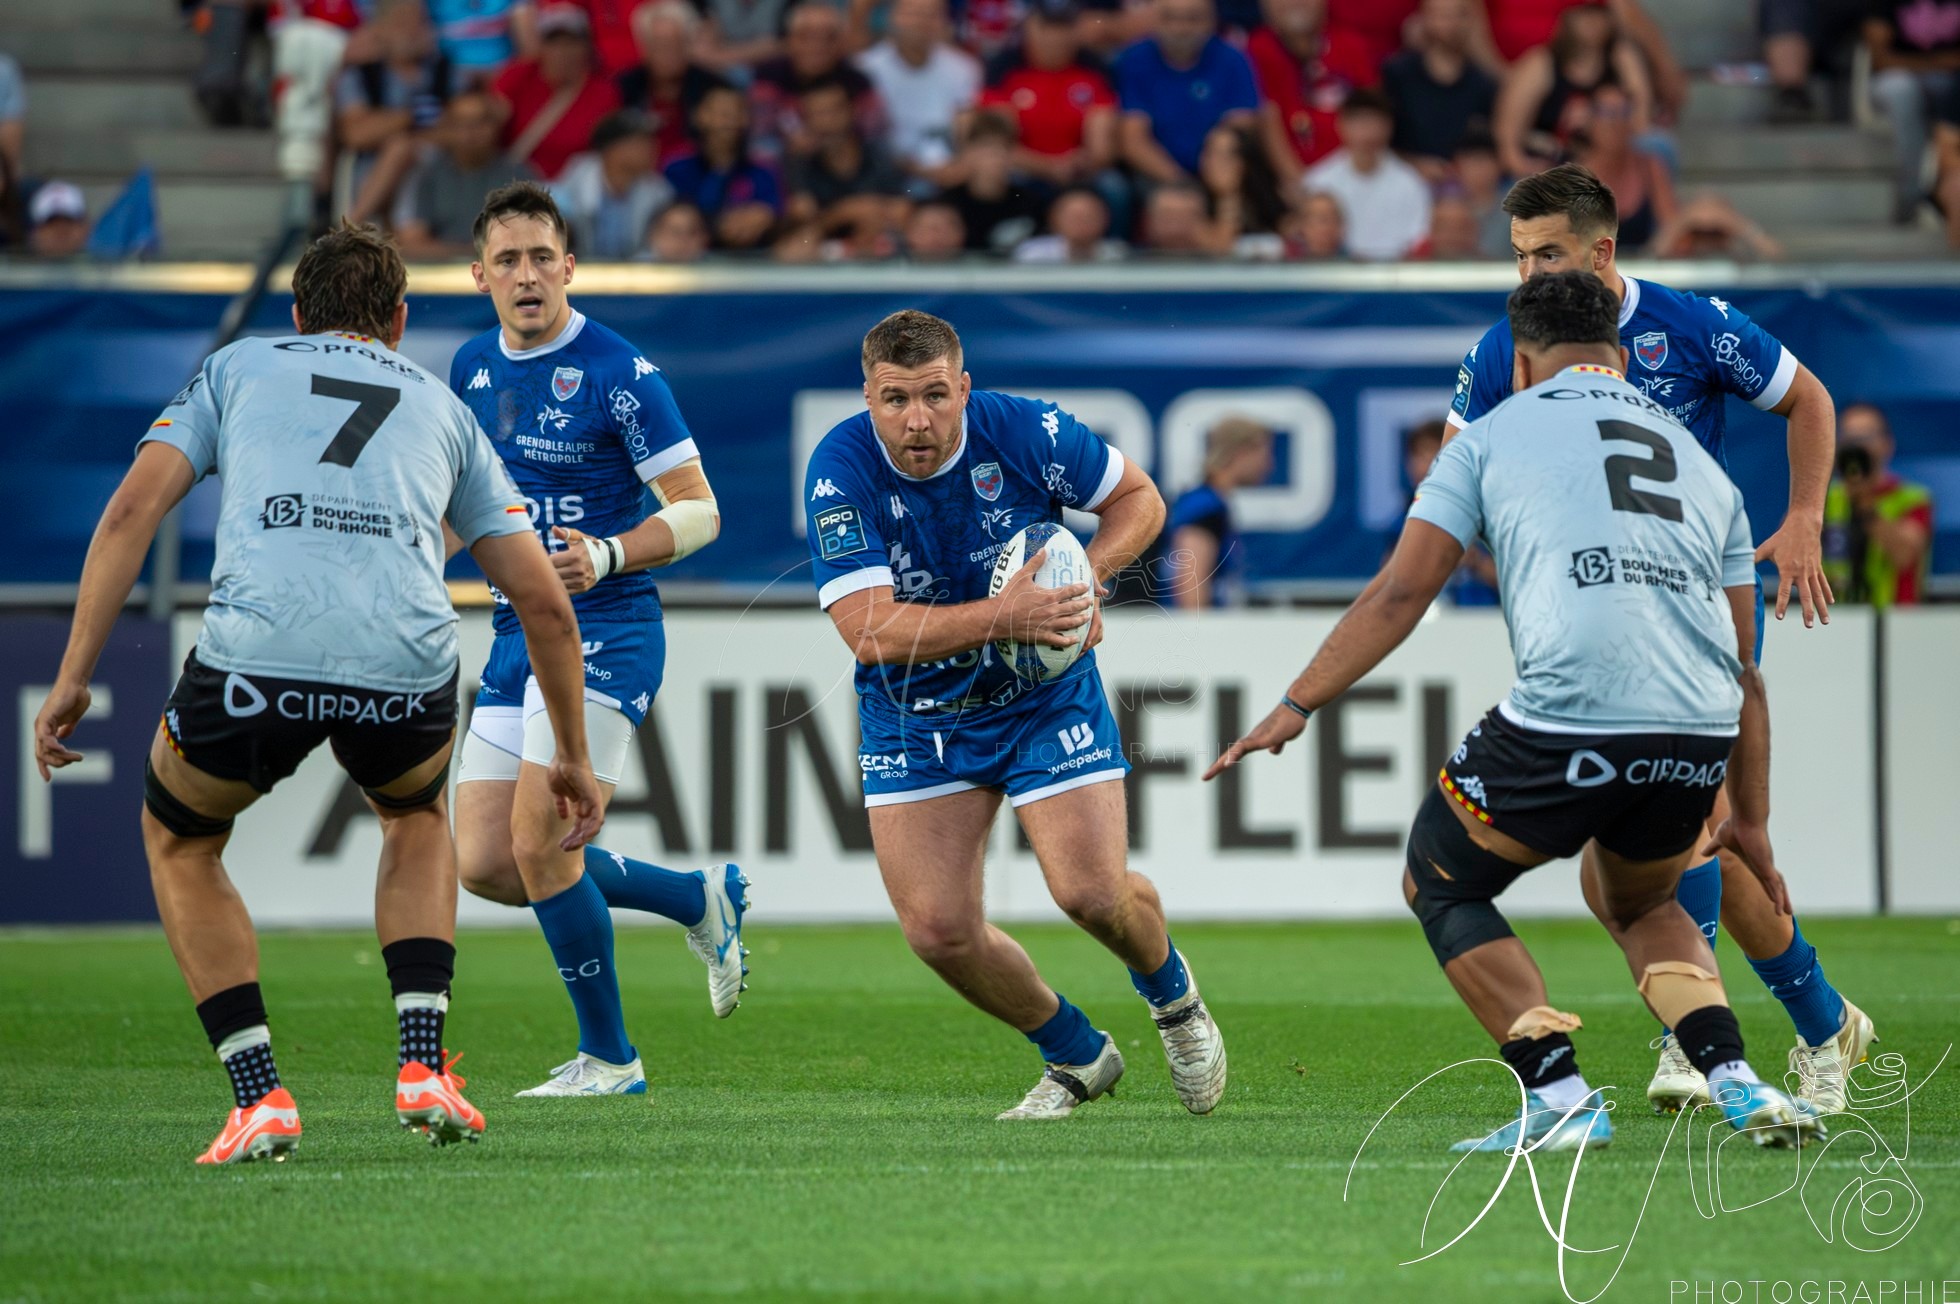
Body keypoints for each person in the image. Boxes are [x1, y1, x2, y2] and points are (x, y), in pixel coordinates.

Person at [1210, 271, 1821, 1152]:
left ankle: (1560, 1094)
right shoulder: (1701, 465)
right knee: (1644, 900)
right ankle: (1733, 1076)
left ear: (1523, 365)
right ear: (1619, 355)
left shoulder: (1488, 436)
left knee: (1442, 876)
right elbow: (1747, 671)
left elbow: (1401, 593)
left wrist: (1295, 704)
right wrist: (1752, 820)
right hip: (1700, 722)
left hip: (1576, 705)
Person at [32, 222, 604, 1163]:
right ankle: (422, 1065)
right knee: (415, 817)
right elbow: (544, 602)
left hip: (261, 653)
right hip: (408, 663)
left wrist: (73, 676)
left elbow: (133, 510)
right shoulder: (442, 407)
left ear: (297, 314)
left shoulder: (237, 366)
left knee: (180, 839)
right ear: (398, 321)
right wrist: (571, 758)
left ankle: (259, 1095)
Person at [1446, 164, 1874, 1120]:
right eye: (1518, 257)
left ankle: (1694, 1039)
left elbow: (1809, 399)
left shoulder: (1691, 323)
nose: (1527, 277)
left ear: (1602, 251)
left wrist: (1804, 517)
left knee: (1691, 826)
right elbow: (1456, 472)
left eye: (1547, 253)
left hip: (1698, 599)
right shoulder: (1503, 347)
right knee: (1686, 834)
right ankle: (1820, 1021)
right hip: (1589, 616)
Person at [802, 309, 1226, 1120]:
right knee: (937, 931)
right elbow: (868, 633)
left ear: (964, 388)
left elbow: (1139, 498)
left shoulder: (1025, 430)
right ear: (868, 397)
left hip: (1040, 693)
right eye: (895, 400)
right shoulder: (840, 468)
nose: (917, 420)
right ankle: (1075, 1051)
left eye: (934, 395)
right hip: (914, 711)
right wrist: (1008, 616)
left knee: (1093, 895)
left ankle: (1174, 1003)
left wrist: (1089, 578)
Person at [449, 182, 748, 1097]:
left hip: (608, 631)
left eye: (543, 257)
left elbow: (702, 511)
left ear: (570, 267)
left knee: (543, 846)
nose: (528, 275)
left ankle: (610, 1058)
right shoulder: (468, 367)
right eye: (508, 261)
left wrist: (611, 552)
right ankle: (695, 898)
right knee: (488, 864)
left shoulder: (623, 374)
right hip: (513, 634)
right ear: (480, 276)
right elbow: (469, 508)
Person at [1491, 2, 1651, 178]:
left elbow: (1640, 123)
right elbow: (1507, 138)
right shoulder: (1541, 63)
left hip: (1609, 169)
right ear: (1566, 17)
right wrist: (1527, 170)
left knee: (1655, 144)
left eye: (1599, 13)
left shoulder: (1621, 58)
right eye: (1583, 13)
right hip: (1548, 169)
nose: (1592, 21)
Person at [978, 0, 1119, 194]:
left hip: (1078, 170)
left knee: (1113, 187)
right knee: (992, 174)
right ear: (1029, 28)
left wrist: (1080, 162)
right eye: (1047, 27)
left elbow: (1101, 146)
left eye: (1063, 27)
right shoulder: (1003, 68)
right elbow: (999, 138)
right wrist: (1049, 168)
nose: (1055, 37)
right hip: (1021, 168)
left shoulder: (1095, 69)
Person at [336, 0, 458, 226]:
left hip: (437, 169)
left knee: (406, 148)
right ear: (379, 30)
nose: (413, 31)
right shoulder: (362, 74)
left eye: (420, 22)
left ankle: (352, 226)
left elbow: (462, 132)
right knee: (400, 147)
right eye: (402, 23)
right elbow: (356, 135)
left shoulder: (445, 71)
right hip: (371, 175)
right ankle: (355, 225)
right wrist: (412, 118)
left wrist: (397, 130)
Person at [1115, 0, 1260, 184]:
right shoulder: (1135, 60)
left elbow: (1241, 128)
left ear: (1212, 21)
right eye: (1170, 18)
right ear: (1154, 19)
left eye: (1193, 19)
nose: (1180, 28)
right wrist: (1181, 183)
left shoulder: (1233, 60)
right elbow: (1133, 140)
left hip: (1220, 172)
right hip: (1157, 176)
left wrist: (1214, 178)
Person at [1246, 0, 1379, 185]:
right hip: (1297, 180)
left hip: (1356, 175)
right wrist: (1301, 184)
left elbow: (1374, 114)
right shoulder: (1259, 49)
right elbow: (1269, 121)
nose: (1296, 3)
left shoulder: (1351, 44)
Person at [396, 91, 536, 258]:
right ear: (447, 129)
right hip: (442, 272)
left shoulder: (519, 175)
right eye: (461, 124)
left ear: (495, 127)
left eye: (480, 122)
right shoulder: (428, 176)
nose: (470, 131)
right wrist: (470, 254)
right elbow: (411, 243)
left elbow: (538, 238)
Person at [855, 0, 983, 182]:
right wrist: (917, 169)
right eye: (913, 13)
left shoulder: (965, 68)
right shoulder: (865, 69)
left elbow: (967, 130)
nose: (923, 21)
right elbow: (868, 140)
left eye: (933, 14)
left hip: (949, 170)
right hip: (886, 174)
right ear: (892, 17)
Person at [491, 5, 623, 182]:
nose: (562, 51)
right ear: (542, 46)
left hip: (573, 190)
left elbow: (608, 151)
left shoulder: (604, 93)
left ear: (587, 46)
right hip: (517, 182)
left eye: (572, 42)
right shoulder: (518, 75)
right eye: (553, 42)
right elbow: (489, 124)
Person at [1824, 403, 1934, 607]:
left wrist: (1865, 504)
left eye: (1866, 438)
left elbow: (1905, 555)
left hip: (1895, 624)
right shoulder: (1826, 498)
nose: (1857, 447)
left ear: (1887, 445)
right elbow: (1790, 548)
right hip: (1834, 624)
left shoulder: (1912, 498)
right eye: (1850, 438)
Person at [1302, 89, 1431, 261]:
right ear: (1341, 125)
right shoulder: (1319, 181)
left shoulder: (1411, 183)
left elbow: (1418, 241)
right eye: (1360, 122)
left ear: (1389, 127)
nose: (1369, 132)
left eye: (1376, 122)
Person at [782, 76, 908, 251]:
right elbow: (802, 231)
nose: (827, 121)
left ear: (853, 110)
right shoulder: (799, 164)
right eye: (817, 114)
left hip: (879, 252)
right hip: (824, 256)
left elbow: (901, 211)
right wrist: (843, 212)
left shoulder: (879, 155)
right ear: (806, 120)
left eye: (834, 111)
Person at [1865, 0, 1960, 223]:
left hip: (1951, 82)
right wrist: (1938, 62)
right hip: (1896, 77)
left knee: (1948, 88)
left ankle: (1943, 184)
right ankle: (1911, 194)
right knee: (1902, 90)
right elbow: (1881, 59)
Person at [1381, 0, 1497, 182]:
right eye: (1442, 16)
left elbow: (1488, 148)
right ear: (1424, 19)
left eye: (1460, 15)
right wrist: (1414, 164)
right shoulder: (1397, 75)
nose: (1451, 24)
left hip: (1464, 191)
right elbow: (1378, 138)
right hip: (1402, 181)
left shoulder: (1483, 84)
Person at [751, 2, 883, 161]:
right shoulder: (769, 76)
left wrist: (830, 141)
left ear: (841, 42)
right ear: (789, 39)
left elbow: (875, 132)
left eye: (829, 37)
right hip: (784, 161)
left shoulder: (857, 81)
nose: (817, 46)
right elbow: (761, 130)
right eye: (805, 37)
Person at [1163, 416, 1271, 608]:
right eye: (1264, 454)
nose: (1269, 465)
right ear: (1241, 452)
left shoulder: (1207, 503)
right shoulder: (1204, 507)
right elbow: (1190, 591)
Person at [661, 84, 784, 250]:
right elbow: (668, 220)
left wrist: (766, 216)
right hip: (690, 261)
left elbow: (776, 214)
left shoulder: (764, 169)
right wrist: (717, 224)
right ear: (700, 116)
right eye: (723, 113)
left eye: (737, 112)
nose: (730, 120)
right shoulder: (677, 168)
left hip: (754, 262)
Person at [614, 1, 733, 169]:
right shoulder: (623, 88)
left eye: (675, 44)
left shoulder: (713, 89)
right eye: (659, 45)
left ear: (688, 45)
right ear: (644, 47)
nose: (668, 54)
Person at [551, 108, 675, 257]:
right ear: (612, 148)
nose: (653, 149)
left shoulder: (658, 190)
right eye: (642, 142)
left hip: (636, 276)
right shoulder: (576, 182)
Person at [1567, 83, 1672, 252]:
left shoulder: (1648, 166)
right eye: (1606, 113)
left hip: (1640, 268)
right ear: (1590, 120)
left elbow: (1671, 225)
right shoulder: (1571, 177)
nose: (1615, 122)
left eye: (1623, 112)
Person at [1403, 419, 1497, 602]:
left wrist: (1475, 561)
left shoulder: (1489, 515)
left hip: (1488, 622)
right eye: (1417, 456)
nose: (1424, 465)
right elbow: (1392, 580)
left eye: (1432, 454)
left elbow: (1519, 584)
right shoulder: (1403, 520)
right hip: (1433, 623)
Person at [938, 113, 1045, 253]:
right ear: (966, 154)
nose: (996, 156)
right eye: (986, 148)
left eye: (1003, 148)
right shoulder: (948, 205)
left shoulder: (1030, 203)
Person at [1013, 186, 1126, 261]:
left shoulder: (1118, 257)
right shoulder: (1032, 256)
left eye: (1088, 217)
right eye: (1074, 217)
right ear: (1054, 219)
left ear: (1105, 219)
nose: (1081, 223)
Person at [27, 182, 92, 259]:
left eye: (69, 221)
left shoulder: (106, 269)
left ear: (86, 228)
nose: (61, 231)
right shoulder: (17, 270)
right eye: (51, 223)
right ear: (34, 232)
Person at [900, 198, 969, 259]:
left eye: (946, 229)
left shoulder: (978, 267)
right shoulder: (892, 269)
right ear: (907, 232)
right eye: (926, 229)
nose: (936, 236)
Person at [1287, 188, 1346, 258]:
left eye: (1335, 219)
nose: (1329, 226)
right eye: (1323, 219)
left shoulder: (1354, 264)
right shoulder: (1288, 261)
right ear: (1304, 225)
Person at [645, 197, 711, 260]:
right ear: (654, 235)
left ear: (705, 238)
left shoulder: (716, 267)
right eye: (675, 232)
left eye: (692, 232)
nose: (683, 240)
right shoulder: (638, 268)